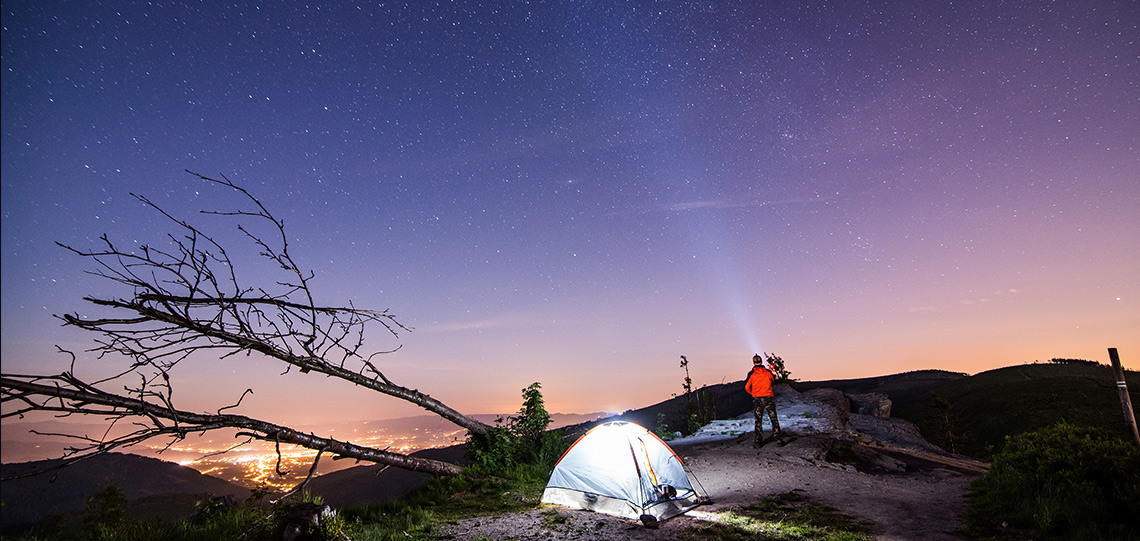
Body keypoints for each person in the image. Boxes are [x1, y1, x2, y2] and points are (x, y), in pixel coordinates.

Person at [745, 354, 783, 446]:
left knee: (758, 420)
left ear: (753, 362)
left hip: (757, 399)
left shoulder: (751, 374)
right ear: (761, 361)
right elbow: (773, 382)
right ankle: (778, 439)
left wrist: (753, 393)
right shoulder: (768, 372)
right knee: (774, 418)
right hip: (768, 397)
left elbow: (746, 387)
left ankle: (758, 441)